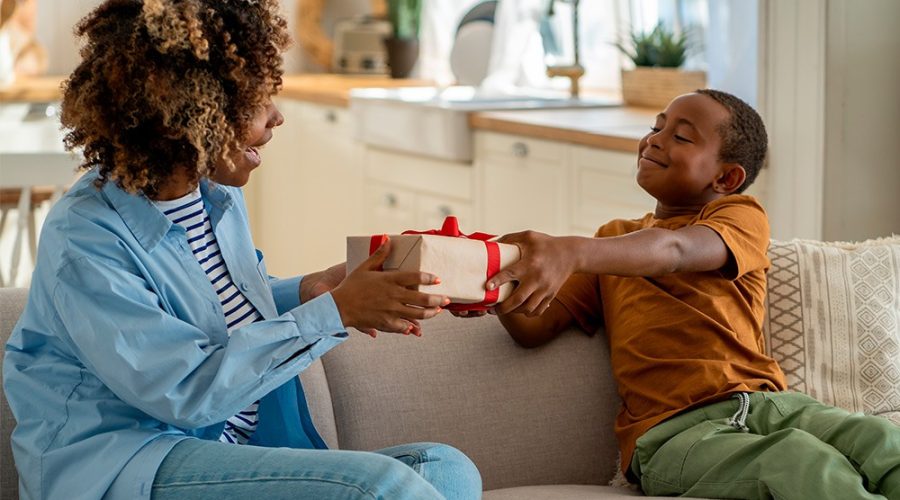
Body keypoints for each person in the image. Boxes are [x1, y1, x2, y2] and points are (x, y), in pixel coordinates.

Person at [2, 1, 482, 499]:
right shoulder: (84, 237)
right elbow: (184, 389)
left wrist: (311, 290)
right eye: (256, 100)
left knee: (443, 468)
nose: (277, 117)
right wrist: (336, 312)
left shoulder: (216, 197)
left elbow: (209, 314)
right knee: (382, 488)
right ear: (185, 112)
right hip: (123, 467)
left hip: (223, 448)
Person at [466, 89, 900, 499]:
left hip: (769, 405)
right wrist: (495, 283)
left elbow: (676, 250)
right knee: (799, 461)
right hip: (672, 434)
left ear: (727, 177)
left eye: (680, 136)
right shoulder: (613, 241)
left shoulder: (738, 216)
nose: (654, 140)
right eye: (657, 127)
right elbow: (534, 327)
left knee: (882, 439)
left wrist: (571, 250)